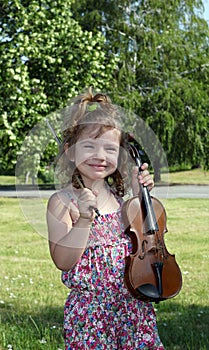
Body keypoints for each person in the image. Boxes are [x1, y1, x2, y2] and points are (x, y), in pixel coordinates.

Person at [47, 88, 165, 349]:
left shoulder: (121, 201)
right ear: (70, 151)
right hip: (90, 316)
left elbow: (148, 239)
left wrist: (139, 196)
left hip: (133, 308)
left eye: (109, 149)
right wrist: (83, 221)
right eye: (89, 146)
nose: (100, 156)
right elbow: (63, 262)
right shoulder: (62, 202)